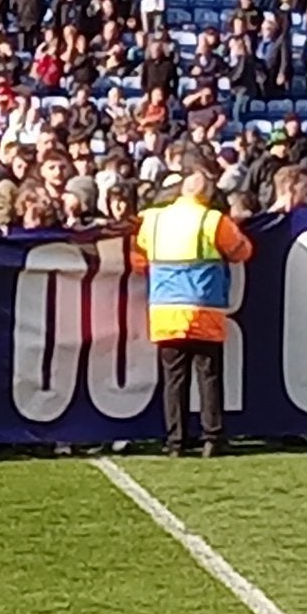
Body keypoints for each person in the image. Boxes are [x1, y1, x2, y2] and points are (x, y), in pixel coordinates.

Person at [130, 167, 252, 458]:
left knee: (174, 378)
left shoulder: (153, 220)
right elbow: (242, 252)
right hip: (203, 308)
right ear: (207, 194)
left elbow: (138, 261)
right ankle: (212, 438)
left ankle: (175, 442)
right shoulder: (213, 221)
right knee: (208, 375)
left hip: (165, 310)